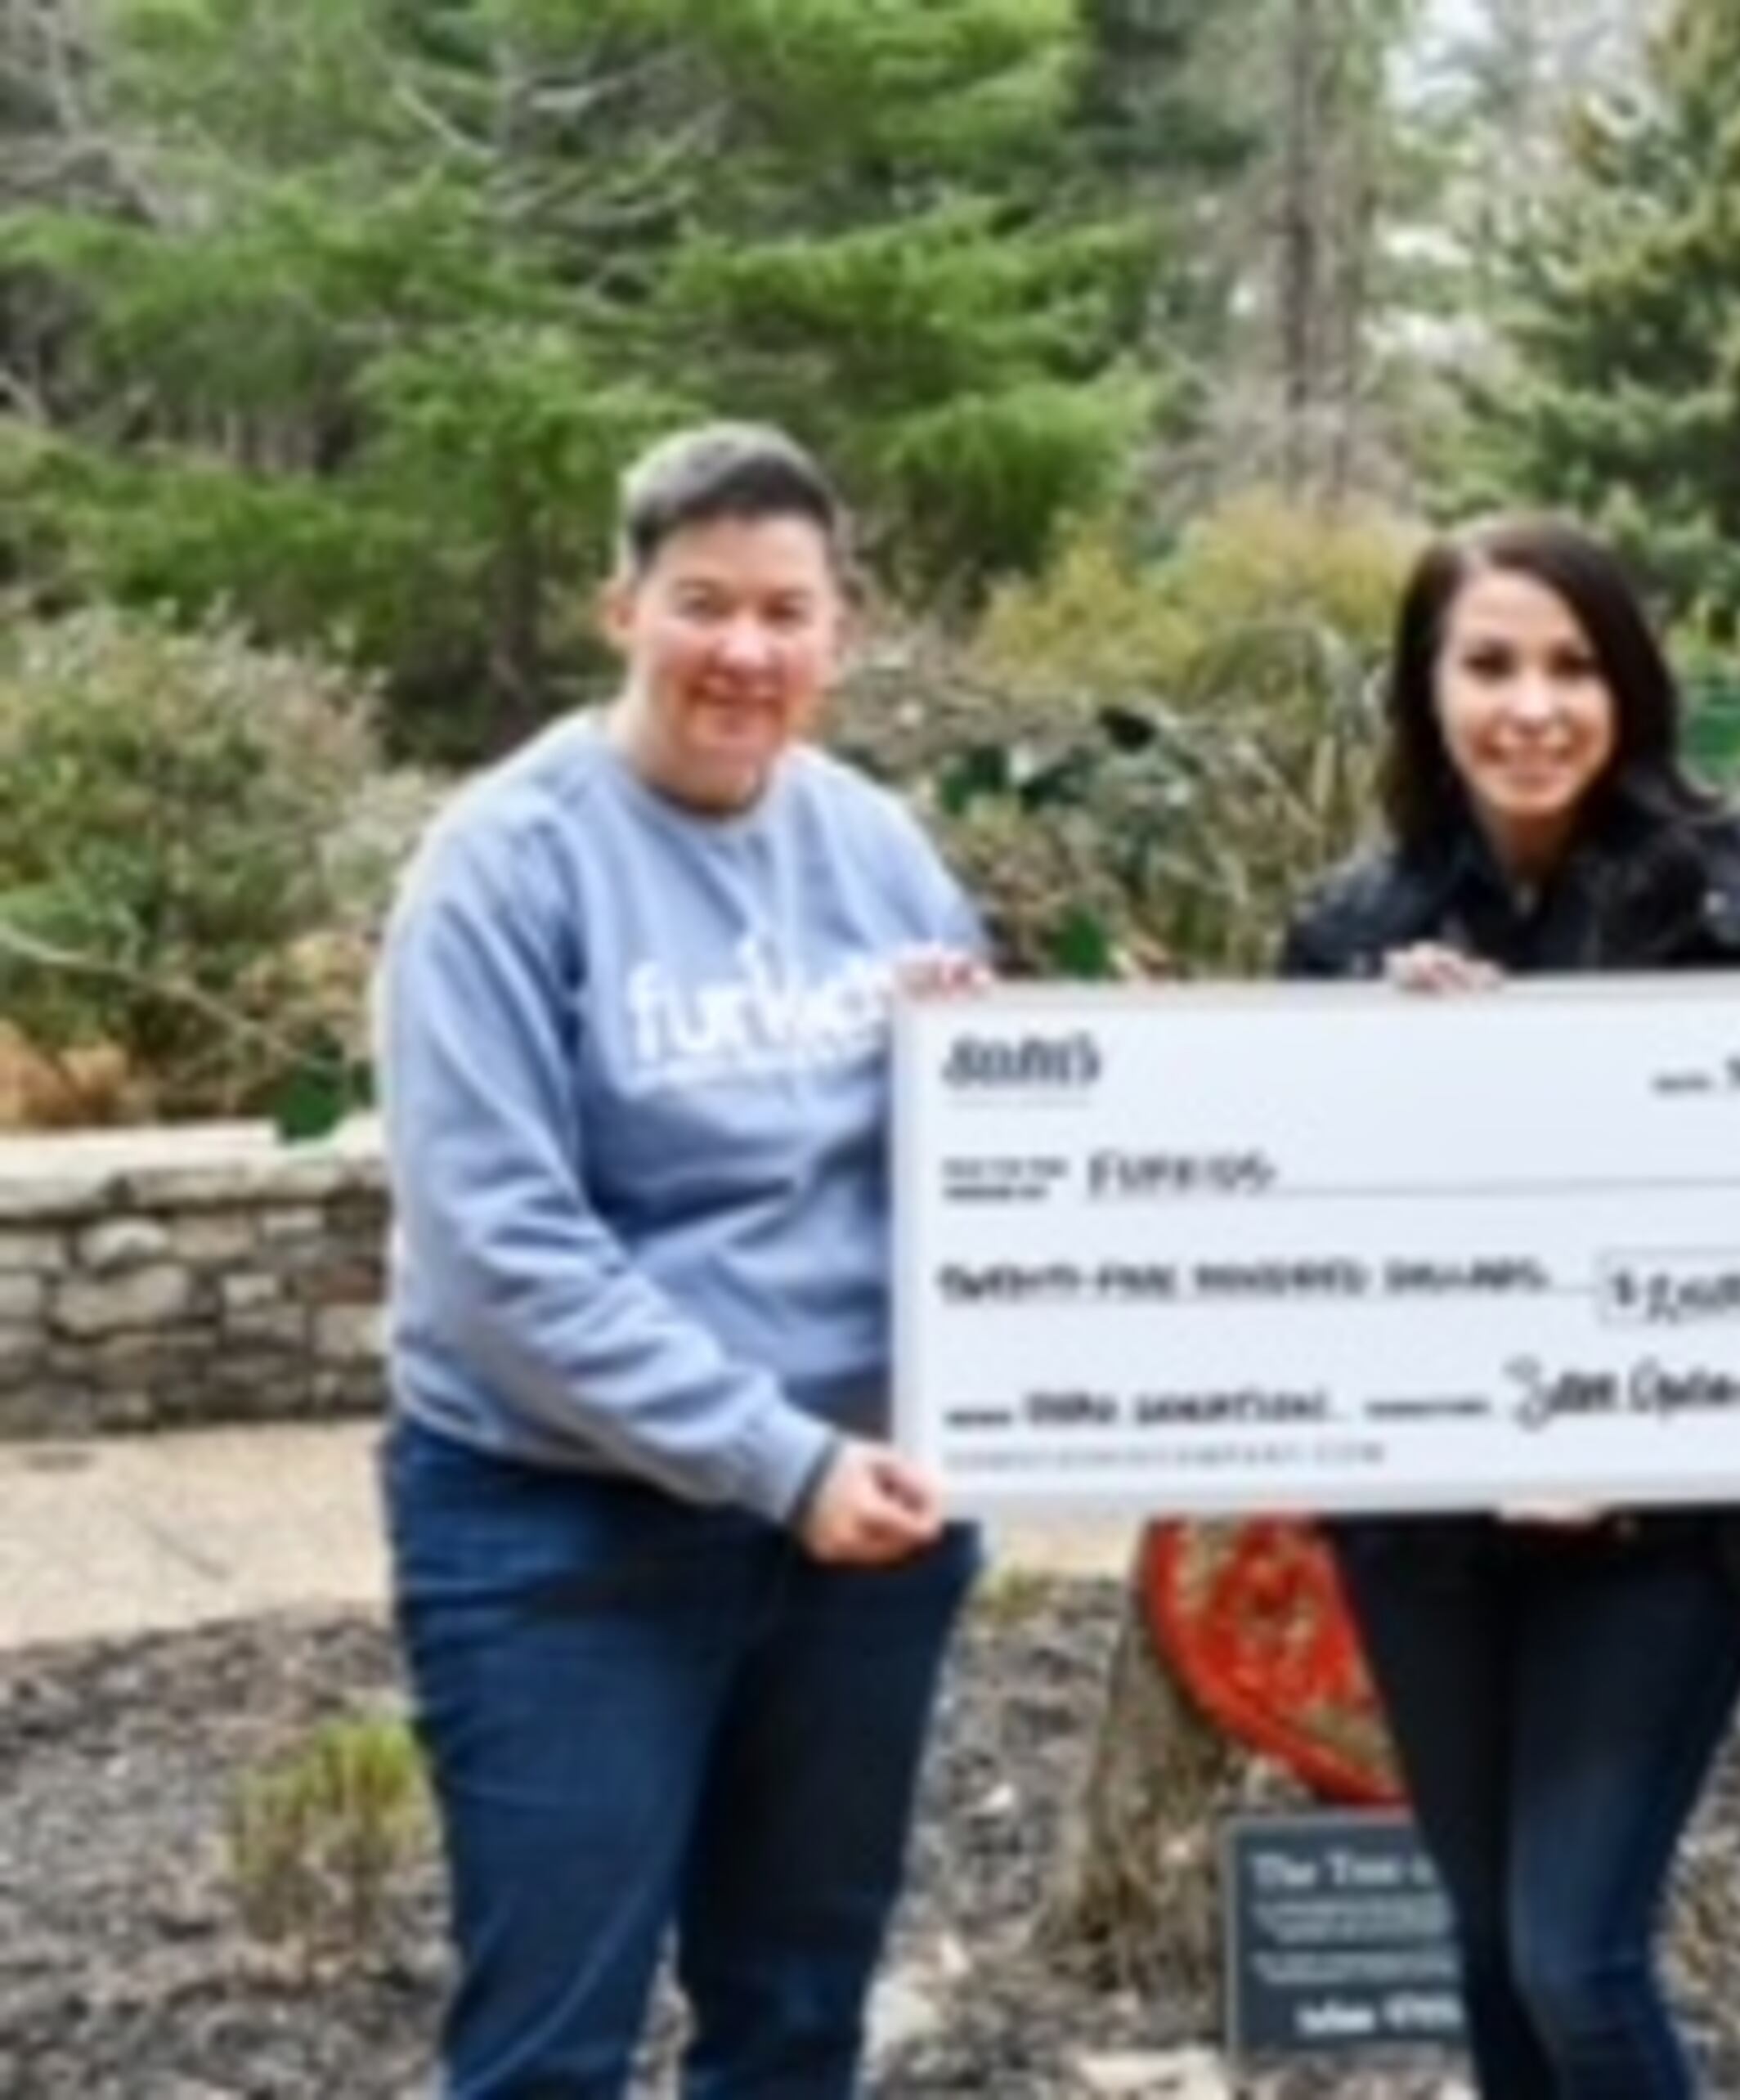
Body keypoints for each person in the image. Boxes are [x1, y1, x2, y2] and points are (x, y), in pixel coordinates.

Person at [372, 421, 986, 2098]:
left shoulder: (878, 849)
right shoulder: (503, 867)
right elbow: (501, 1254)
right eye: (701, 603)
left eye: (786, 613)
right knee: (550, 2048)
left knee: (795, 2018)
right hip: (560, 1525)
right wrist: (774, 1460)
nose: (744, 651)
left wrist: (992, 1075)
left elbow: (984, 1173)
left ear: (839, 636)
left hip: (861, 1536)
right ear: (619, 610)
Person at [1278, 516, 1740, 2098]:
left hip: (1658, 1539)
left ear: (1630, 689)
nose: (1532, 707)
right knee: (1486, 1955)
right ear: (1426, 691)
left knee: (1574, 1957)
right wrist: (1394, 1069)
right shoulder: (1352, 928)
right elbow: (1304, 1233)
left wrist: (1644, 1448)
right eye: (1488, 666)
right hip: (1432, 1529)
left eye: (1572, 667)